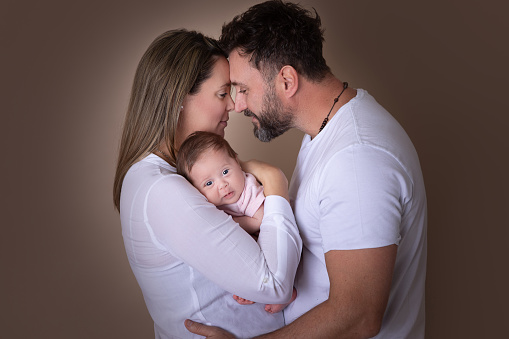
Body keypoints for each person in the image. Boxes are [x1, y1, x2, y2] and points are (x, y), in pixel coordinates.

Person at [185, 1, 427, 338]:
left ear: (286, 80)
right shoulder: (328, 130)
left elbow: (358, 315)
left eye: (243, 89)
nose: (237, 104)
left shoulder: (356, 161)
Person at [113, 29, 302, 338]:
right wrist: (274, 180)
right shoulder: (163, 191)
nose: (233, 105)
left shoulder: (155, 177)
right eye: (221, 93)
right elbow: (275, 286)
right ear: (179, 99)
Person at [176, 131, 298, 314]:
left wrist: (230, 224)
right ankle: (256, 291)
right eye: (209, 184)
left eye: (225, 172)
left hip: (285, 242)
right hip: (258, 251)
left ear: (237, 161)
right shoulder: (213, 206)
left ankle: (290, 290)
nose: (222, 185)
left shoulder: (249, 188)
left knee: (285, 260)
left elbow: (260, 219)